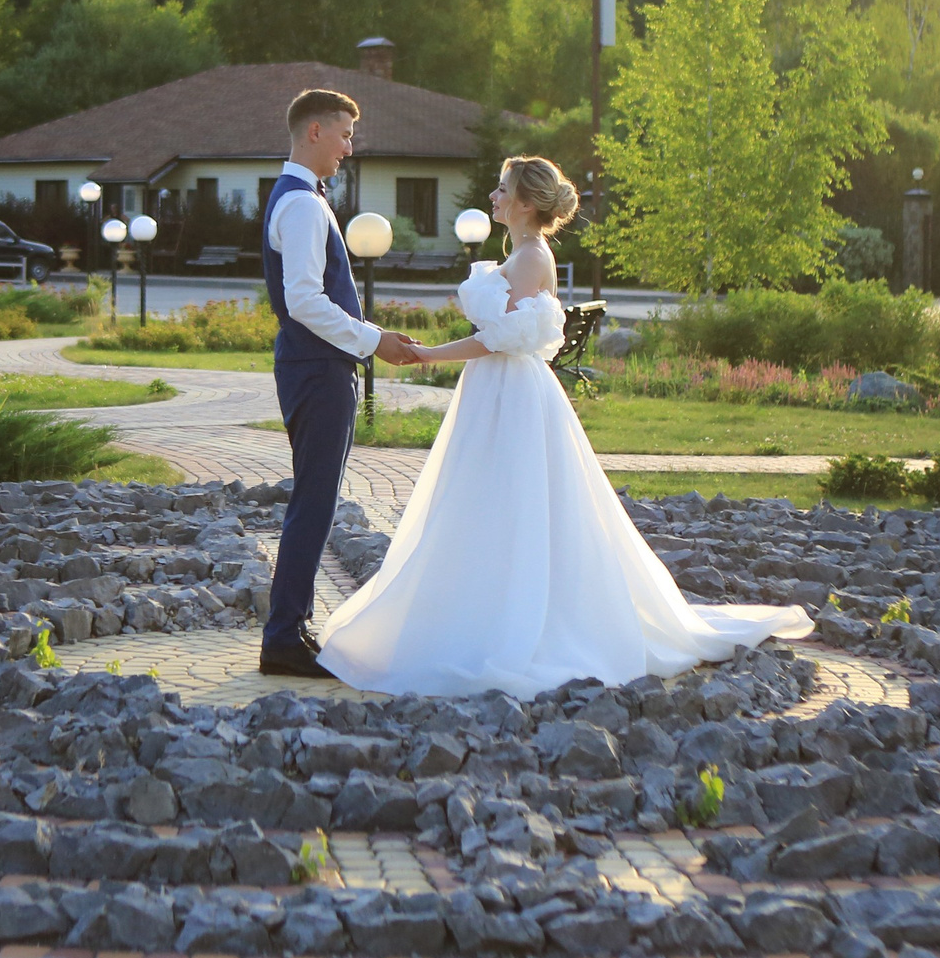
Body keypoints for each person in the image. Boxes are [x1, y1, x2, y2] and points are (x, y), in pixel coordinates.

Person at [318, 155, 812, 697]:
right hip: (494, 391)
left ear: (526, 204)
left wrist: (429, 355)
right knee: (484, 504)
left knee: (515, 504)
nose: (493, 196)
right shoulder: (520, 253)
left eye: (502, 189)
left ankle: (515, 622)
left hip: (511, 393)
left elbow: (499, 338)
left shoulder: (531, 258)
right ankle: (477, 611)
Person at [259, 88, 420, 678]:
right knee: (314, 500)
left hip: (313, 365)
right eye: (346, 134)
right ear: (315, 131)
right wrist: (373, 340)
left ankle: (290, 627)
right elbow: (303, 299)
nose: (351, 147)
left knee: (315, 498)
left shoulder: (301, 197)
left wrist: (370, 337)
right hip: (317, 369)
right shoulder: (302, 204)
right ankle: (282, 637)